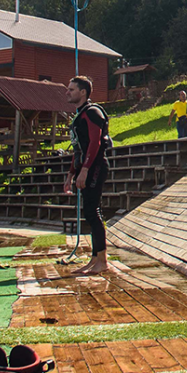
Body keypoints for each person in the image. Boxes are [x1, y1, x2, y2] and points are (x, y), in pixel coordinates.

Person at [64, 75, 110, 275]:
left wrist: (84, 171)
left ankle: (103, 261)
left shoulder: (92, 112)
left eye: (72, 89)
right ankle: (94, 258)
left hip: (96, 165)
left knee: (93, 212)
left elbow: (95, 143)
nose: (68, 92)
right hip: (85, 166)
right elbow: (78, 150)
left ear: (83, 92)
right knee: (89, 213)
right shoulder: (79, 115)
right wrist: (70, 175)